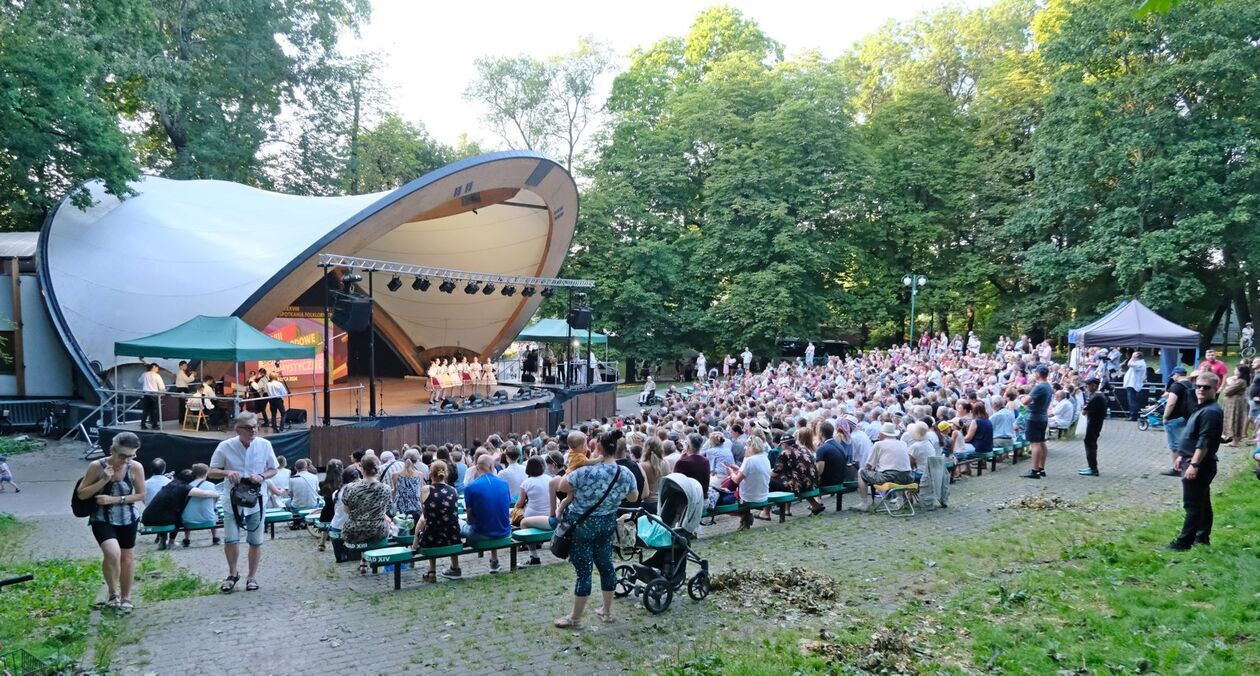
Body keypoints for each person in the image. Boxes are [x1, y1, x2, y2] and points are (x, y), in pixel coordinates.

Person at [553, 430, 638, 629]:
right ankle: (606, 611)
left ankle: (575, 618)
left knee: (584, 572)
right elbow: (634, 498)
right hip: (607, 524)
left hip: (583, 526)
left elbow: (563, 486)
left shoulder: (585, 471)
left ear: (597, 448)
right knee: (606, 565)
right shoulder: (625, 473)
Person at [208, 412, 278, 593]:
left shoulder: (265, 444)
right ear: (237, 429)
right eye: (248, 427)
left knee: (255, 541)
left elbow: (273, 469)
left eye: (256, 426)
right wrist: (227, 473)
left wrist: (262, 476)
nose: (253, 430)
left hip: (256, 499)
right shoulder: (225, 446)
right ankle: (232, 574)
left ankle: (252, 577)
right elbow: (211, 471)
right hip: (232, 500)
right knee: (231, 539)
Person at [76, 432, 146, 612]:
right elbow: (82, 494)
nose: (126, 460)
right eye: (122, 455)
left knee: (127, 557)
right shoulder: (96, 466)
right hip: (101, 518)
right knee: (113, 553)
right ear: (112, 450)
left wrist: (114, 500)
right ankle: (112, 593)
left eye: (131, 455)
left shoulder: (135, 467)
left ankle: (126, 597)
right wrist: (104, 480)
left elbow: (141, 495)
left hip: (128, 517)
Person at [1165, 373, 1223, 551]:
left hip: (1201, 464)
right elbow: (1194, 436)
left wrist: (1194, 464)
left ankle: (1183, 543)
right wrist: (1182, 455)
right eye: (1198, 386)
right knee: (1202, 501)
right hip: (1193, 460)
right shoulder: (1202, 408)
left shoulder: (1211, 411)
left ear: (1215, 389)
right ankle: (1202, 537)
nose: (1201, 390)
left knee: (1192, 504)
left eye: (1206, 387)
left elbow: (1204, 441)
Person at [141, 469, 219, 549]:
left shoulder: (170, 484)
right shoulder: (184, 487)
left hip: (147, 518)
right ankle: (171, 542)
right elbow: (204, 493)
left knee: (165, 512)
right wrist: (216, 494)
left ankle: (162, 541)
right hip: (162, 520)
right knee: (177, 515)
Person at [412, 460, 463, 581]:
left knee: (431, 526)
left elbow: (424, 517)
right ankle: (455, 567)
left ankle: (432, 571)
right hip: (453, 536)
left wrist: (414, 542)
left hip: (432, 537)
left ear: (430, 474)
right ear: (446, 474)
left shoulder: (425, 490)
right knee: (450, 524)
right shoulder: (453, 490)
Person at [461, 454, 512, 573]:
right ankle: (494, 560)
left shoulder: (470, 487)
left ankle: (455, 566)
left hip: (480, 535)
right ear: (491, 466)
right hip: (504, 532)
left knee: (459, 523)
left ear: (477, 468)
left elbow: (470, 520)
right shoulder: (504, 484)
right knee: (491, 519)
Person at [341, 455, 392, 573]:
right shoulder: (386, 488)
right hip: (378, 531)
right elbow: (387, 509)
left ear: (360, 468)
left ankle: (363, 561)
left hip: (353, 531)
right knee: (374, 526)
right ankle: (368, 561)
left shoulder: (350, 487)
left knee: (363, 527)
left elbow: (346, 510)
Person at [855, 423, 913, 511]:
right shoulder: (903, 443)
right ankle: (900, 500)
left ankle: (864, 503)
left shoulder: (878, 444)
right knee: (898, 472)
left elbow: (869, 465)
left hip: (889, 477)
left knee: (861, 472)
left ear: (882, 434)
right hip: (908, 477)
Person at [515, 456, 555, 564]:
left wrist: (516, 507)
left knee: (523, 523)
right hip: (550, 515)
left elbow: (519, 503)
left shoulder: (526, 483)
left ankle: (534, 556)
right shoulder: (550, 479)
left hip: (533, 516)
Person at [725, 436, 771, 529]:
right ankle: (744, 519)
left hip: (748, 497)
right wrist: (739, 470)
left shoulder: (749, 460)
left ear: (751, 447)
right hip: (763, 494)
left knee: (725, 500)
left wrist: (731, 473)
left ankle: (744, 516)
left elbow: (737, 480)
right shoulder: (765, 458)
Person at [1162, 366, 1197, 476]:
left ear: (1177, 374)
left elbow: (1171, 402)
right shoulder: (1191, 385)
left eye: (1173, 375)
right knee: (1185, 442)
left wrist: (1165, 416)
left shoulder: (1176, 386)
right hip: (1186, 417)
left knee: (1175, 445)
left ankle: (1177, 469)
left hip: (1174, 418)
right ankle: (1187, 465)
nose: (1173, 377)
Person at [1021, 365, 1053, 479]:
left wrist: (1022, 398)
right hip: (1043, 417)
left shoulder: (1038, 387)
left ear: (1038, 374)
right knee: (1041, 442)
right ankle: (1041, 468)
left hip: (1034, 417)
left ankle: (1034, 470)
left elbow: (1025, 401)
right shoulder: (1049, 386)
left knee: (1035, 443)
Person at [180, 463, 221, 546]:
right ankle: (215, 537)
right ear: (206, 473)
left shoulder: (187, 486)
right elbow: (215, 500)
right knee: (214, 510)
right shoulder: (212, 486)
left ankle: (187, 538)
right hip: (208, 521)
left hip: (189, 521)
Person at [1078, 378, 1108, 476]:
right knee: (1091, 444)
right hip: (1096, 423)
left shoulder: (1096, 397)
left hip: (1093, 424)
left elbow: (1085, 411)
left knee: (1090, 444)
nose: (1086, 388)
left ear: (1094, 385)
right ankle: (1091, 467)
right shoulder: (1100, 396)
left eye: (1088, 386)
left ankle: (1093, 468)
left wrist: (1084, 409)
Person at [316, 459, 344, 552]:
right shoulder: (343, 484)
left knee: (325, 529)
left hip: (327, 511)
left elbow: (321, 494)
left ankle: (322, 543)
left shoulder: (322, 484)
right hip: (340, 510)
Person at [1220, 364, 1250, 447]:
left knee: (1235, 419)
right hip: (1232, 402)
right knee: (1231, 419)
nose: (1234, 371)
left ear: (1241, 372)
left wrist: (1229, 384)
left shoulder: (1241, 381)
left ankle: (1235, 440)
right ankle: (1232, 438)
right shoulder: (1239, 380)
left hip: (1236, 403)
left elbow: (1227, 391)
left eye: (1236, 369)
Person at [391, 449, 424, 519]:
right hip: (415, 508)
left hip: (399, 509)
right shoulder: (420, 475)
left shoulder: (395, 475)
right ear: (416, 460)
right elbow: (420, 493)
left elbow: (394, 491)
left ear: (404, 458)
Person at [138, 362, 165, 430]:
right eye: (157, 368)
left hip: (146, 394)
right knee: (155, 410)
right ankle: (154, 425)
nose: (158, 370)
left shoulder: (144, 374)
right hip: (154, 394)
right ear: (154, 367)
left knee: (145, 410)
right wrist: (163, 392)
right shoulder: (157, 376)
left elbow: (139, 381)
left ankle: (143, 425)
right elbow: (161, 387)